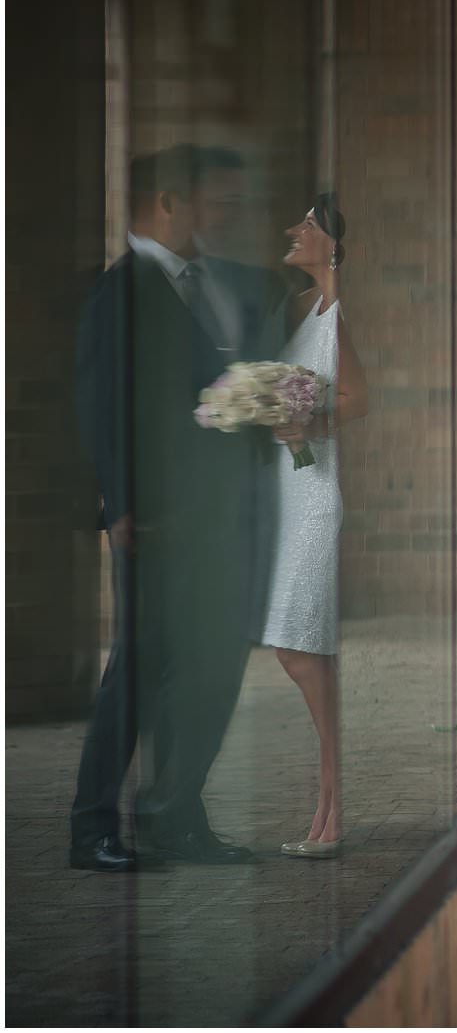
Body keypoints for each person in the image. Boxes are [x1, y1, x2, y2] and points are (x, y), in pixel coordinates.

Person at [69, 145, 279, 869]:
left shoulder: (217, 283)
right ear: (166, 201)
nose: (226, 215)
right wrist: (123, 505)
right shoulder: (119, 291)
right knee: (138, 668)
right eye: (214, 200)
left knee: (210, 667)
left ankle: (174, 818)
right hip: (155, 523)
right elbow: (102, 406)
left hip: (221, 520)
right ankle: (92, 828)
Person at [261, 194, 368, 858]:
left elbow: (358, 398)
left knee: (299, 649)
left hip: (314, 492)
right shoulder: (298, 308)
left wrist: (312, 424)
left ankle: (333, 799)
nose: (292, 231)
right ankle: (328, 809)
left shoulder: (333, 317)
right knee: (307, 648)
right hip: (288, 485)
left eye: (305, 225)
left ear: (329, 245)